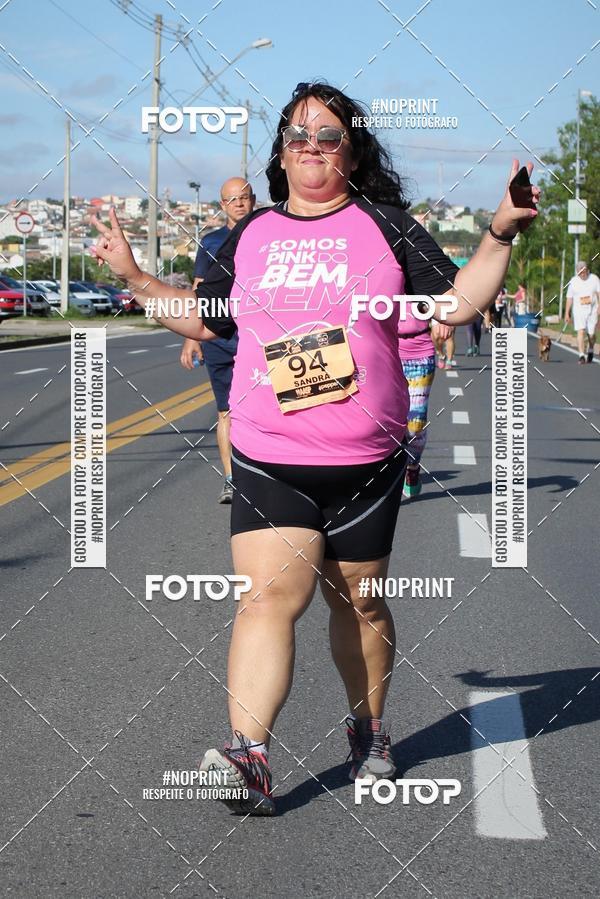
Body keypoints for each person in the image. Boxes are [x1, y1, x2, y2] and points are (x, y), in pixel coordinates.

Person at [91, 81, 539, 817]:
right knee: (269, 595)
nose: (311, 146)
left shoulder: (386, 226)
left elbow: (456, 305)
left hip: (364, 460)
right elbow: (208, 323)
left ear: (352, 151)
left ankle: (368, 727)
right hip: (271, 453)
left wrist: (499, 231)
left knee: (358, 598)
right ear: (280, 152)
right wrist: (137, 278)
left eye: (328, 135)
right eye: (297, 135)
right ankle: (250, 756)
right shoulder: (253, 235)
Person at [180, 179, 255, 503]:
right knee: (226, 411)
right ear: (222, 205)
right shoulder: (211, 241)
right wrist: (190, 338)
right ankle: (231, 479)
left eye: (244, 198)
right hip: (219, 339)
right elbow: (199, 289)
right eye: (232, 199)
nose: (239, 204)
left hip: (257, 336)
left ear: (254, 200)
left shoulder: (266, 231)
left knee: (264, 406)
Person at [398, 320, 453, 496]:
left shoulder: (424, 290)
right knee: (382, 422)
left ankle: (412, 467)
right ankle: (389, 474)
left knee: (415, 426)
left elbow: (445, 297)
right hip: (383, 351)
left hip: (419, 355)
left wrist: (444, 319)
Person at [565, 260, 600, 364]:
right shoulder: (573, 281)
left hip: (592, 310)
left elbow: (599, 293)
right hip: (578, 310)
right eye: (580, 273)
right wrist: (567, 312)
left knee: (591, 334)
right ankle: (581, 355)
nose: (583, 275)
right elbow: (569, 298)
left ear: (587, 270)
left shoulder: (594, 279)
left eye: (584, 272)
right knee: (580, 331)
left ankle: (590, 349)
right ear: (577, 272)